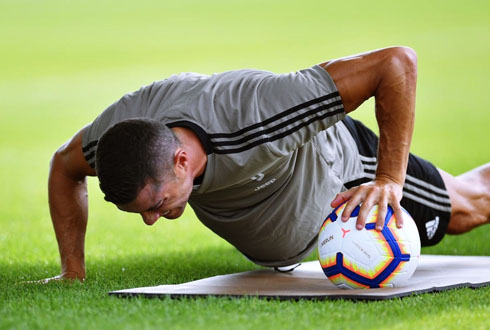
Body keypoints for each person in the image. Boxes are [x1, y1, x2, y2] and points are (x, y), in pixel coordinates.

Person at [45, 47, 489, 282]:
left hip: (342, 164)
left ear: (181, 160)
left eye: (157, 204)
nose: (150, 220)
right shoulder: (120, 137)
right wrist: (73, 273)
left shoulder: (257, 112)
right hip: (280, 201)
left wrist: (389, 181)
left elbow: (396, 63)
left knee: (470, 207)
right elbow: (62, 169)